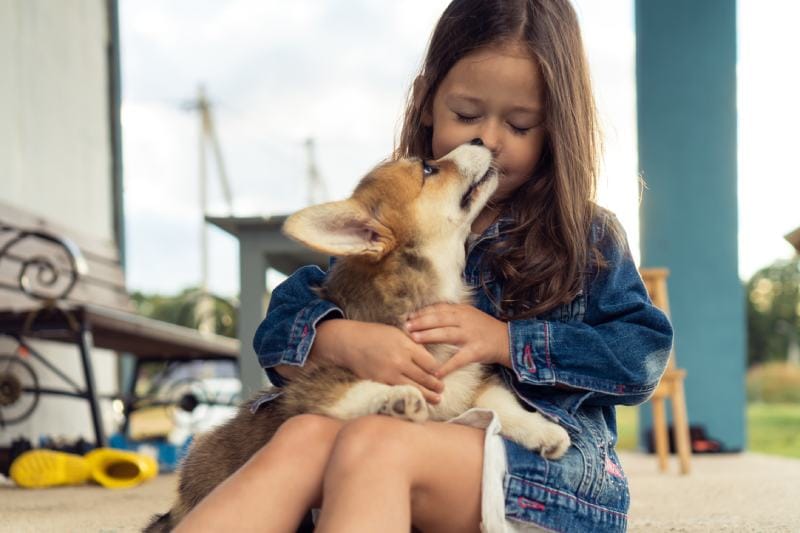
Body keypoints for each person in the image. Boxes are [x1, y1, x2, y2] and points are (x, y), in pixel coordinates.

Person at [176, 0, 673, 531]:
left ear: (556, 128)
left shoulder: (587, 235)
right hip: (398, 453)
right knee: (304, 433)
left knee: (377, 440)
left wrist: (507, 340)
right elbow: (282, 325)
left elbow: (640, 355)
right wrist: (339, 340)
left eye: (521, 124)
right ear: (426, 103)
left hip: (540, 479)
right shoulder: (391, 228)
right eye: (466, 115)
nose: (489, 140)